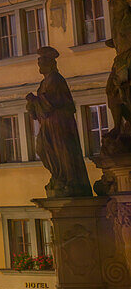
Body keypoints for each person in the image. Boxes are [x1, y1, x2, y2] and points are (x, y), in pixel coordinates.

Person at [26, 47, 92, 197]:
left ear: (49, 63)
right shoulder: (44, 82)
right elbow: (41, 109)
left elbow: (52, 102)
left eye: (41, 62)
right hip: (48, 124)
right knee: (42, 149)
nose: (39, 66)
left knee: (62, 151)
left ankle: (69, 179)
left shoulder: (56, 79)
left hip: (59, 124)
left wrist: (35, 100)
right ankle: (58, 176)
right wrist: (32, 105)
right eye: (38, 63)